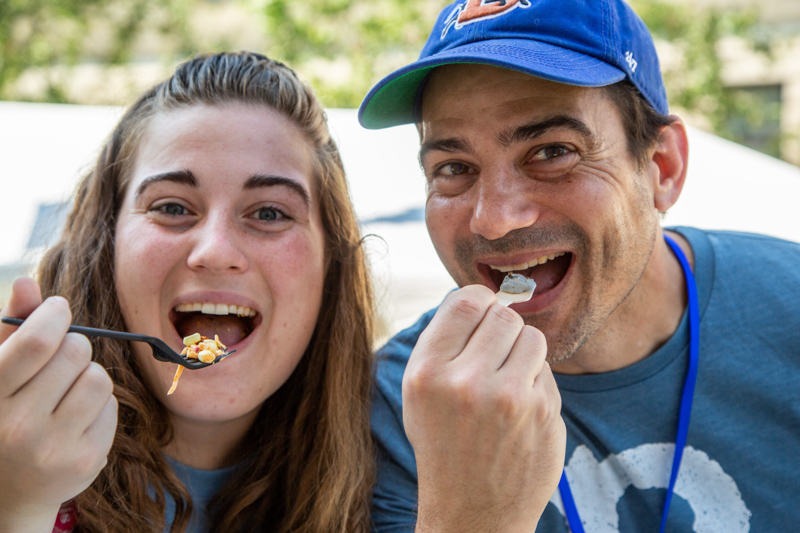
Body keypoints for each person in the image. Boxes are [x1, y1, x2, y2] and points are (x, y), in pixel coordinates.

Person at [358, 0, 800, 532]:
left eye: (551, 152)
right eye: (454, 168)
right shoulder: (399, 403)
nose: (494, 220)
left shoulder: (788, 310)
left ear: (662, 167)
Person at [0, 51, 377, 533]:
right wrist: (15, 506)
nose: (215, 251)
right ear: (106, 240)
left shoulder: (403, 465)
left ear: (332, 264)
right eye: (173, 206)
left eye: (268, 213)